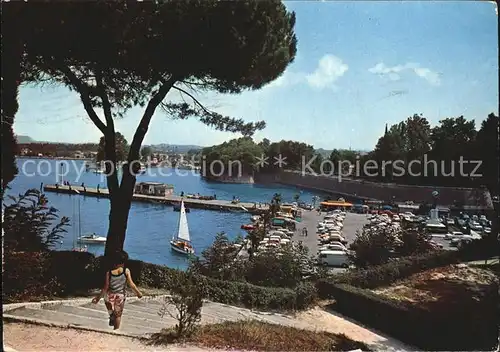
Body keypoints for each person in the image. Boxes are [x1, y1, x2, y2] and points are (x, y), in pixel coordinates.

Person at [92, 251, 143, 330]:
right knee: (118, 315)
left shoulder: (109, 273)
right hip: (120, 296)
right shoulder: (126, 271)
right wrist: (138, 293)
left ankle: (111, 314)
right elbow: (131, 284)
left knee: (106, 301)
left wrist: (98, 298)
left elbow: (105, 287)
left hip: (110, 294)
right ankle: (116, 330)